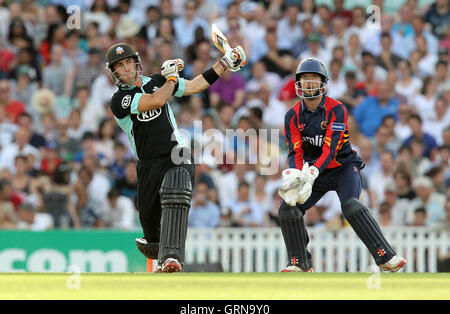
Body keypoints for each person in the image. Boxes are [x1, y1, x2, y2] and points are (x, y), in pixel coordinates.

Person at [106, 42, 246, 273]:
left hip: (176, 152)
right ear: (114, 72)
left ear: (135, 62)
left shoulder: (157, 80)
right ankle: (159, 250)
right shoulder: (119, 100)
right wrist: (171, 79)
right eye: (119, 66)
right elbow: (157, 101)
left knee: (176, 191)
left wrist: (225, 63)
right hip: (148, 164)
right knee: (152, 235)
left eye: (128, 62)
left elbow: (194, 85)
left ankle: (171, 258)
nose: (126, 68)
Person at [277, 57, 406, 272]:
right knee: (287, 208)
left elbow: (331, 148)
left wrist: (312, 171)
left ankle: (386, 256)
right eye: (305, 79)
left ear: (323, 83)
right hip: (312, 172)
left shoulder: (337, 109)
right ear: (298, 84)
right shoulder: (292, 116)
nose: (309, 83)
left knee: (351, 205)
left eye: (314, 79)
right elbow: (295, 151)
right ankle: (300, 262)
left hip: (343, 167)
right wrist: (297, 174)